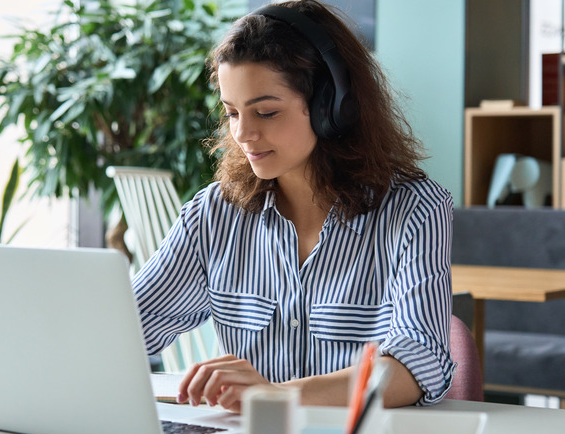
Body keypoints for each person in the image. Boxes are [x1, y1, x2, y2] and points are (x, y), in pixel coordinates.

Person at [132, 0, 454, 413]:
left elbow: (420, 363)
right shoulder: (212, 216)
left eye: (266, 112)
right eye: (232, 113)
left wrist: (276, 396)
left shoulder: (415, 210)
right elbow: (126, 328)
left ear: (331, 107)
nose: (243, 133)